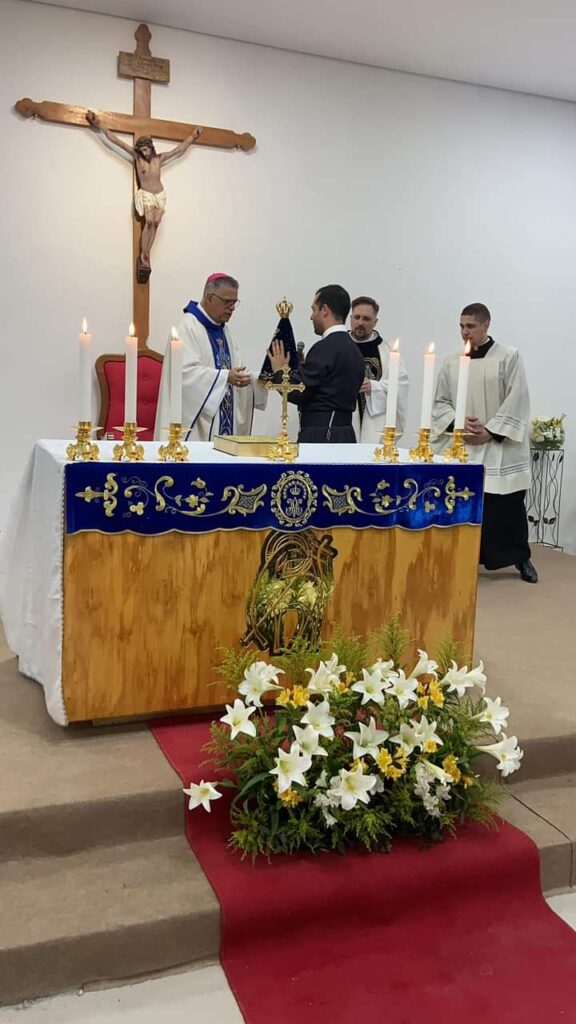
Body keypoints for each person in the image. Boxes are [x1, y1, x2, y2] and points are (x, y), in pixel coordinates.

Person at [431, 302, 537, 583]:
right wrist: (458, 422)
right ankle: (464, 558)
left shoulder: (508, 356)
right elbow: (440, 402)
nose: (465, 332)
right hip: (463, 444)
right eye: (462, 326)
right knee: (463, 504)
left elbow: (518, 398)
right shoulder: (451, 362)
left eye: (471, 326)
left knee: (507, 507)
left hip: (499, 445)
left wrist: (490, 431)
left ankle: (520, 557)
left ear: (486, 325)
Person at [86, 111, 202, 282]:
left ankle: (148, 252)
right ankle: (144, 253)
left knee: (156, 222)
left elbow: (178, 150)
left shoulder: (159, 159)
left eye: (146, 149)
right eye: (142, 150)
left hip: (159, 194)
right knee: (149, 221)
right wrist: (98, 124)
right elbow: (115, 140)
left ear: (151, 148)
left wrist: (193, 137)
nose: (144, 153)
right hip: (147, 194)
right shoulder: (137, 158)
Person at [154, 273, 267, 441]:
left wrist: (262, 378)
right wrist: (225, 377)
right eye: (227, 302)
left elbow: (237, 373)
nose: (232, 308)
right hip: (195, 431)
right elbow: (184, 375)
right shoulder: (188, 327)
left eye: (235, 302)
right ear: (209, 298)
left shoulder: (225, 332)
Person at [269, 285, 365, 442]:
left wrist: (280, 371)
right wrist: (302, 368)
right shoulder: (353, 348)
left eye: (314, 310)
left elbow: (298, 392)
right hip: (343, 433)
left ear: (325, 310)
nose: (311, 317)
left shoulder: (326, 347)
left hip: (323, 435)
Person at [349, 296, 409, 443]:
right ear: (350, 318)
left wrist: (374, 387)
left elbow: (400, 385)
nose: (360, 323)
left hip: (375, 425)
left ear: (375, 322)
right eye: (357, 317)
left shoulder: (388, 353)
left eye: (366, 319)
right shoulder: (339, 347)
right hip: (345, 423)